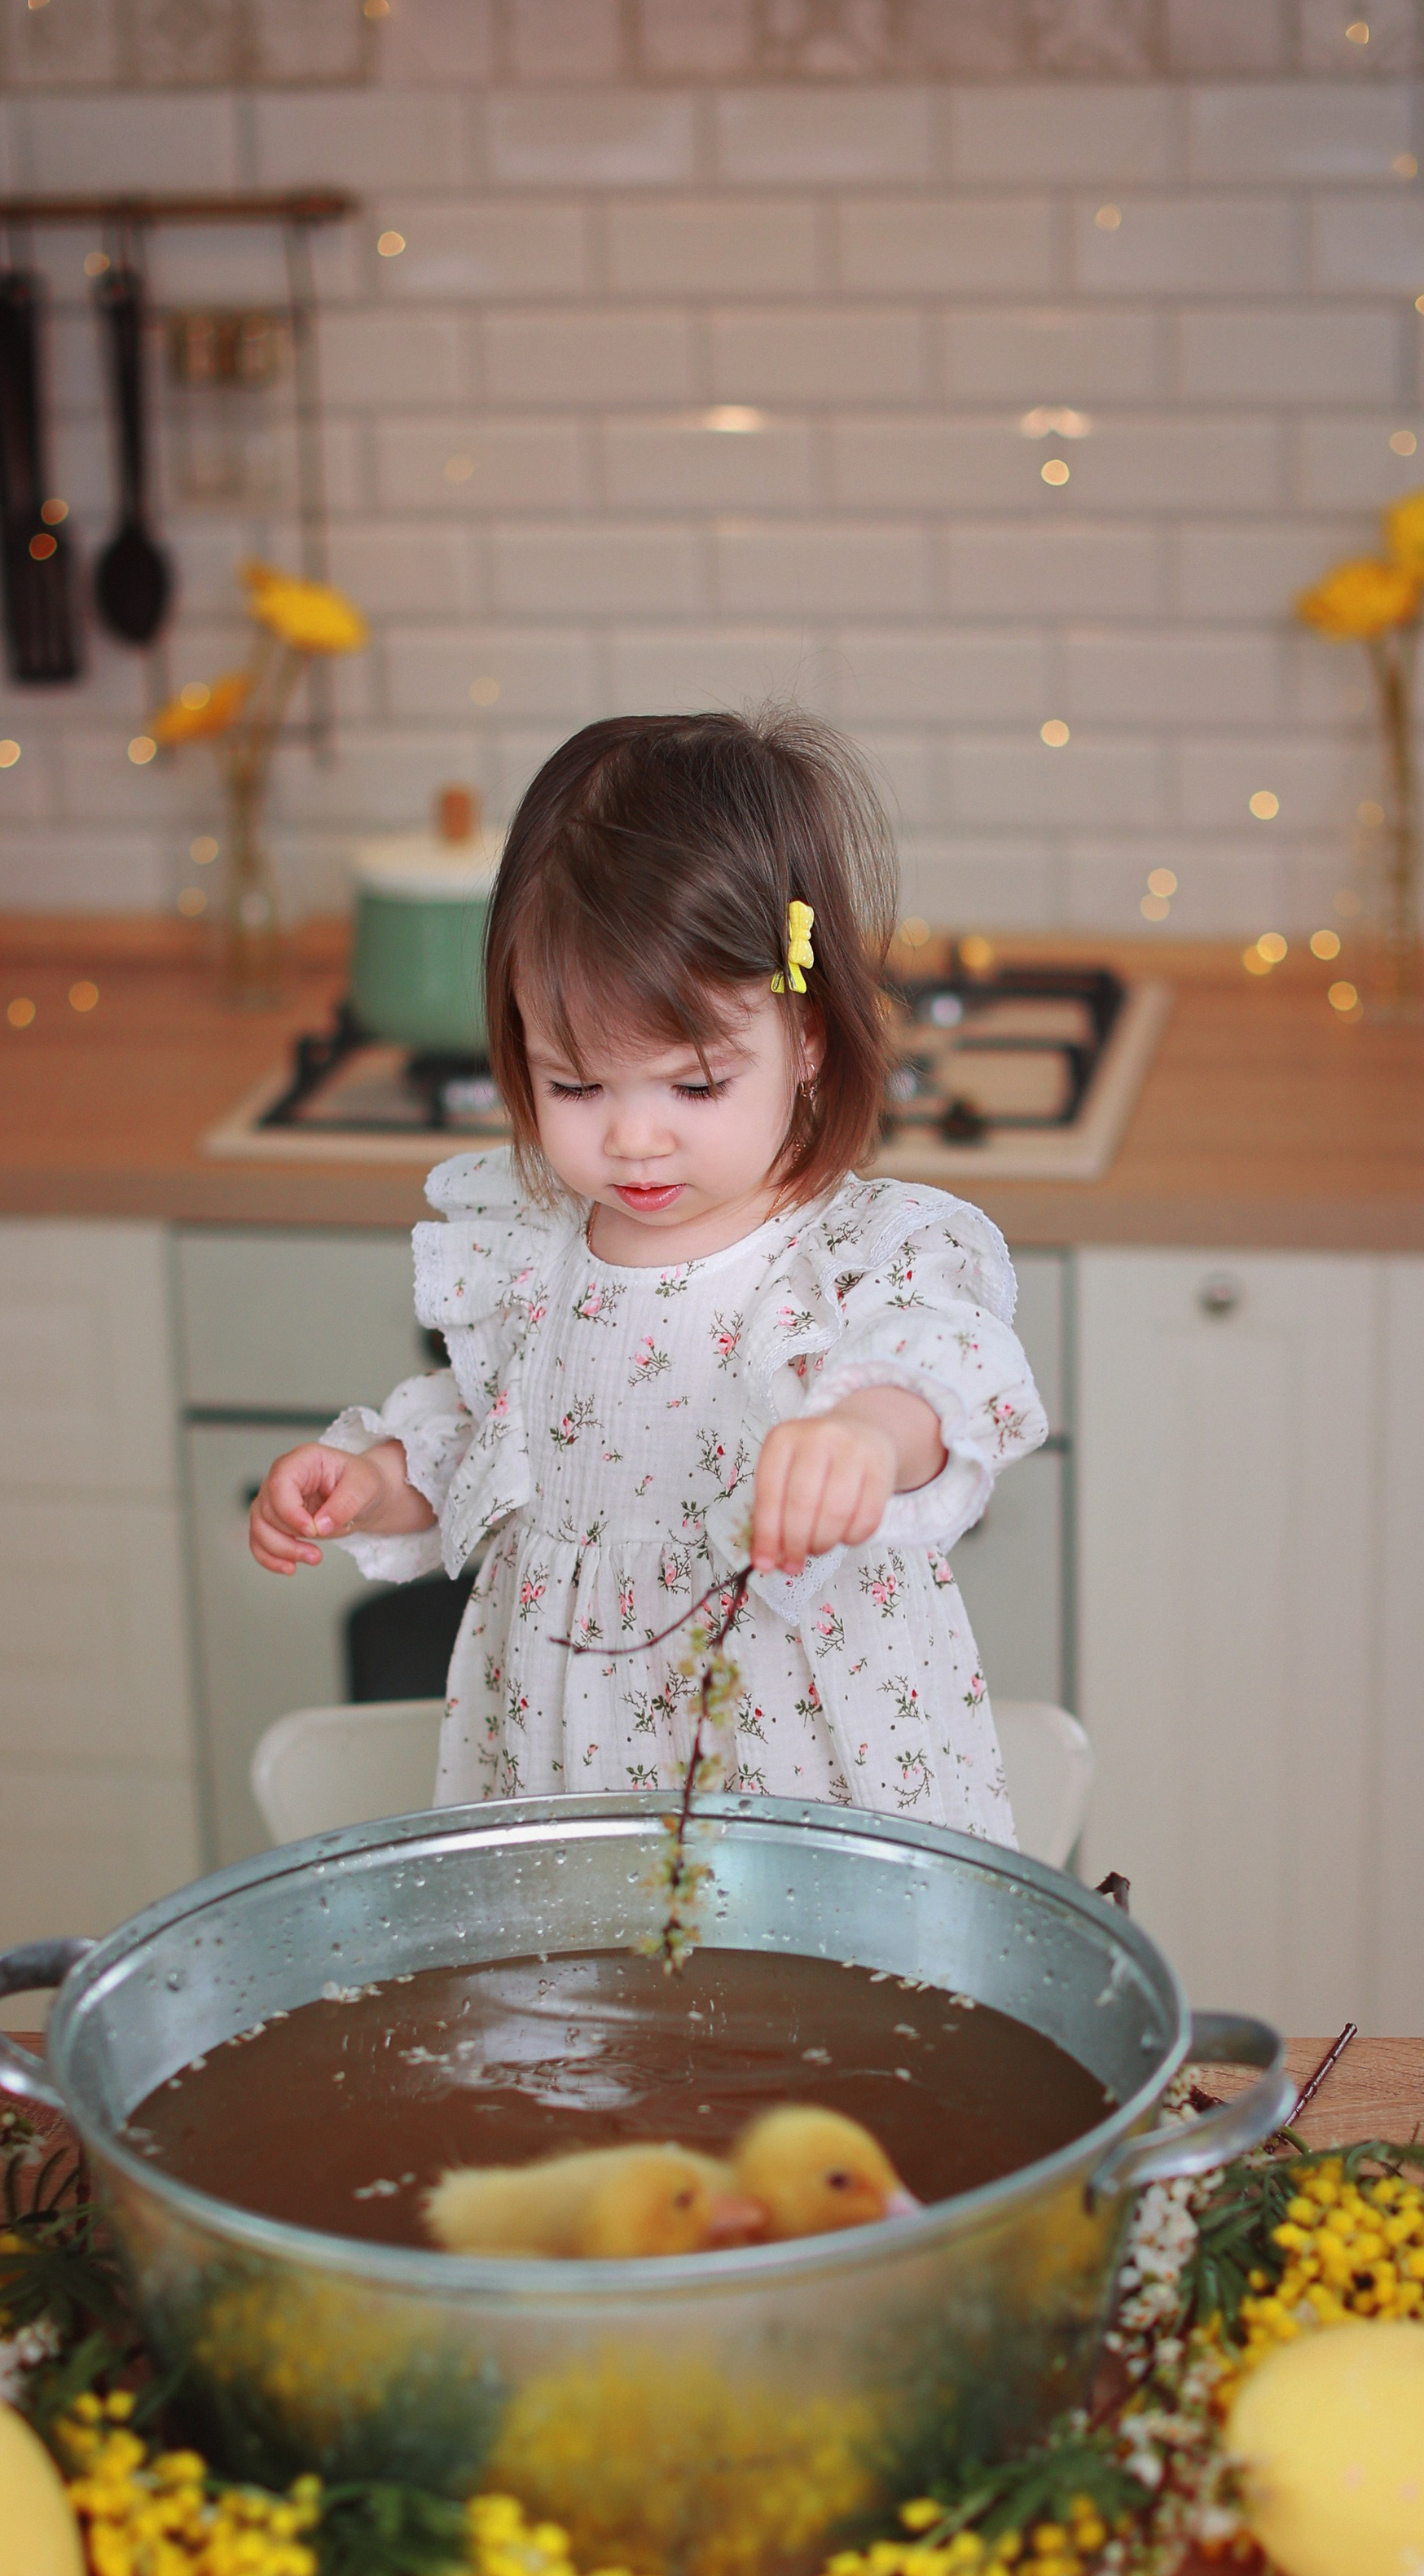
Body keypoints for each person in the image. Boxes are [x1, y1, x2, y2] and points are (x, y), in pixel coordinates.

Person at [249, 710, 1048, 1838]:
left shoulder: (856, 1251)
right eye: (575, 1086)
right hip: (565, 1768)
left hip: (807, 1781)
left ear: (807, 1037)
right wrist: (376, 1479)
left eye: (694, 1085)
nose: (632, 1139)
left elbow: (947, 1370)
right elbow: (489, 1442)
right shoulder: (531, 1252)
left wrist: (865, 1436)